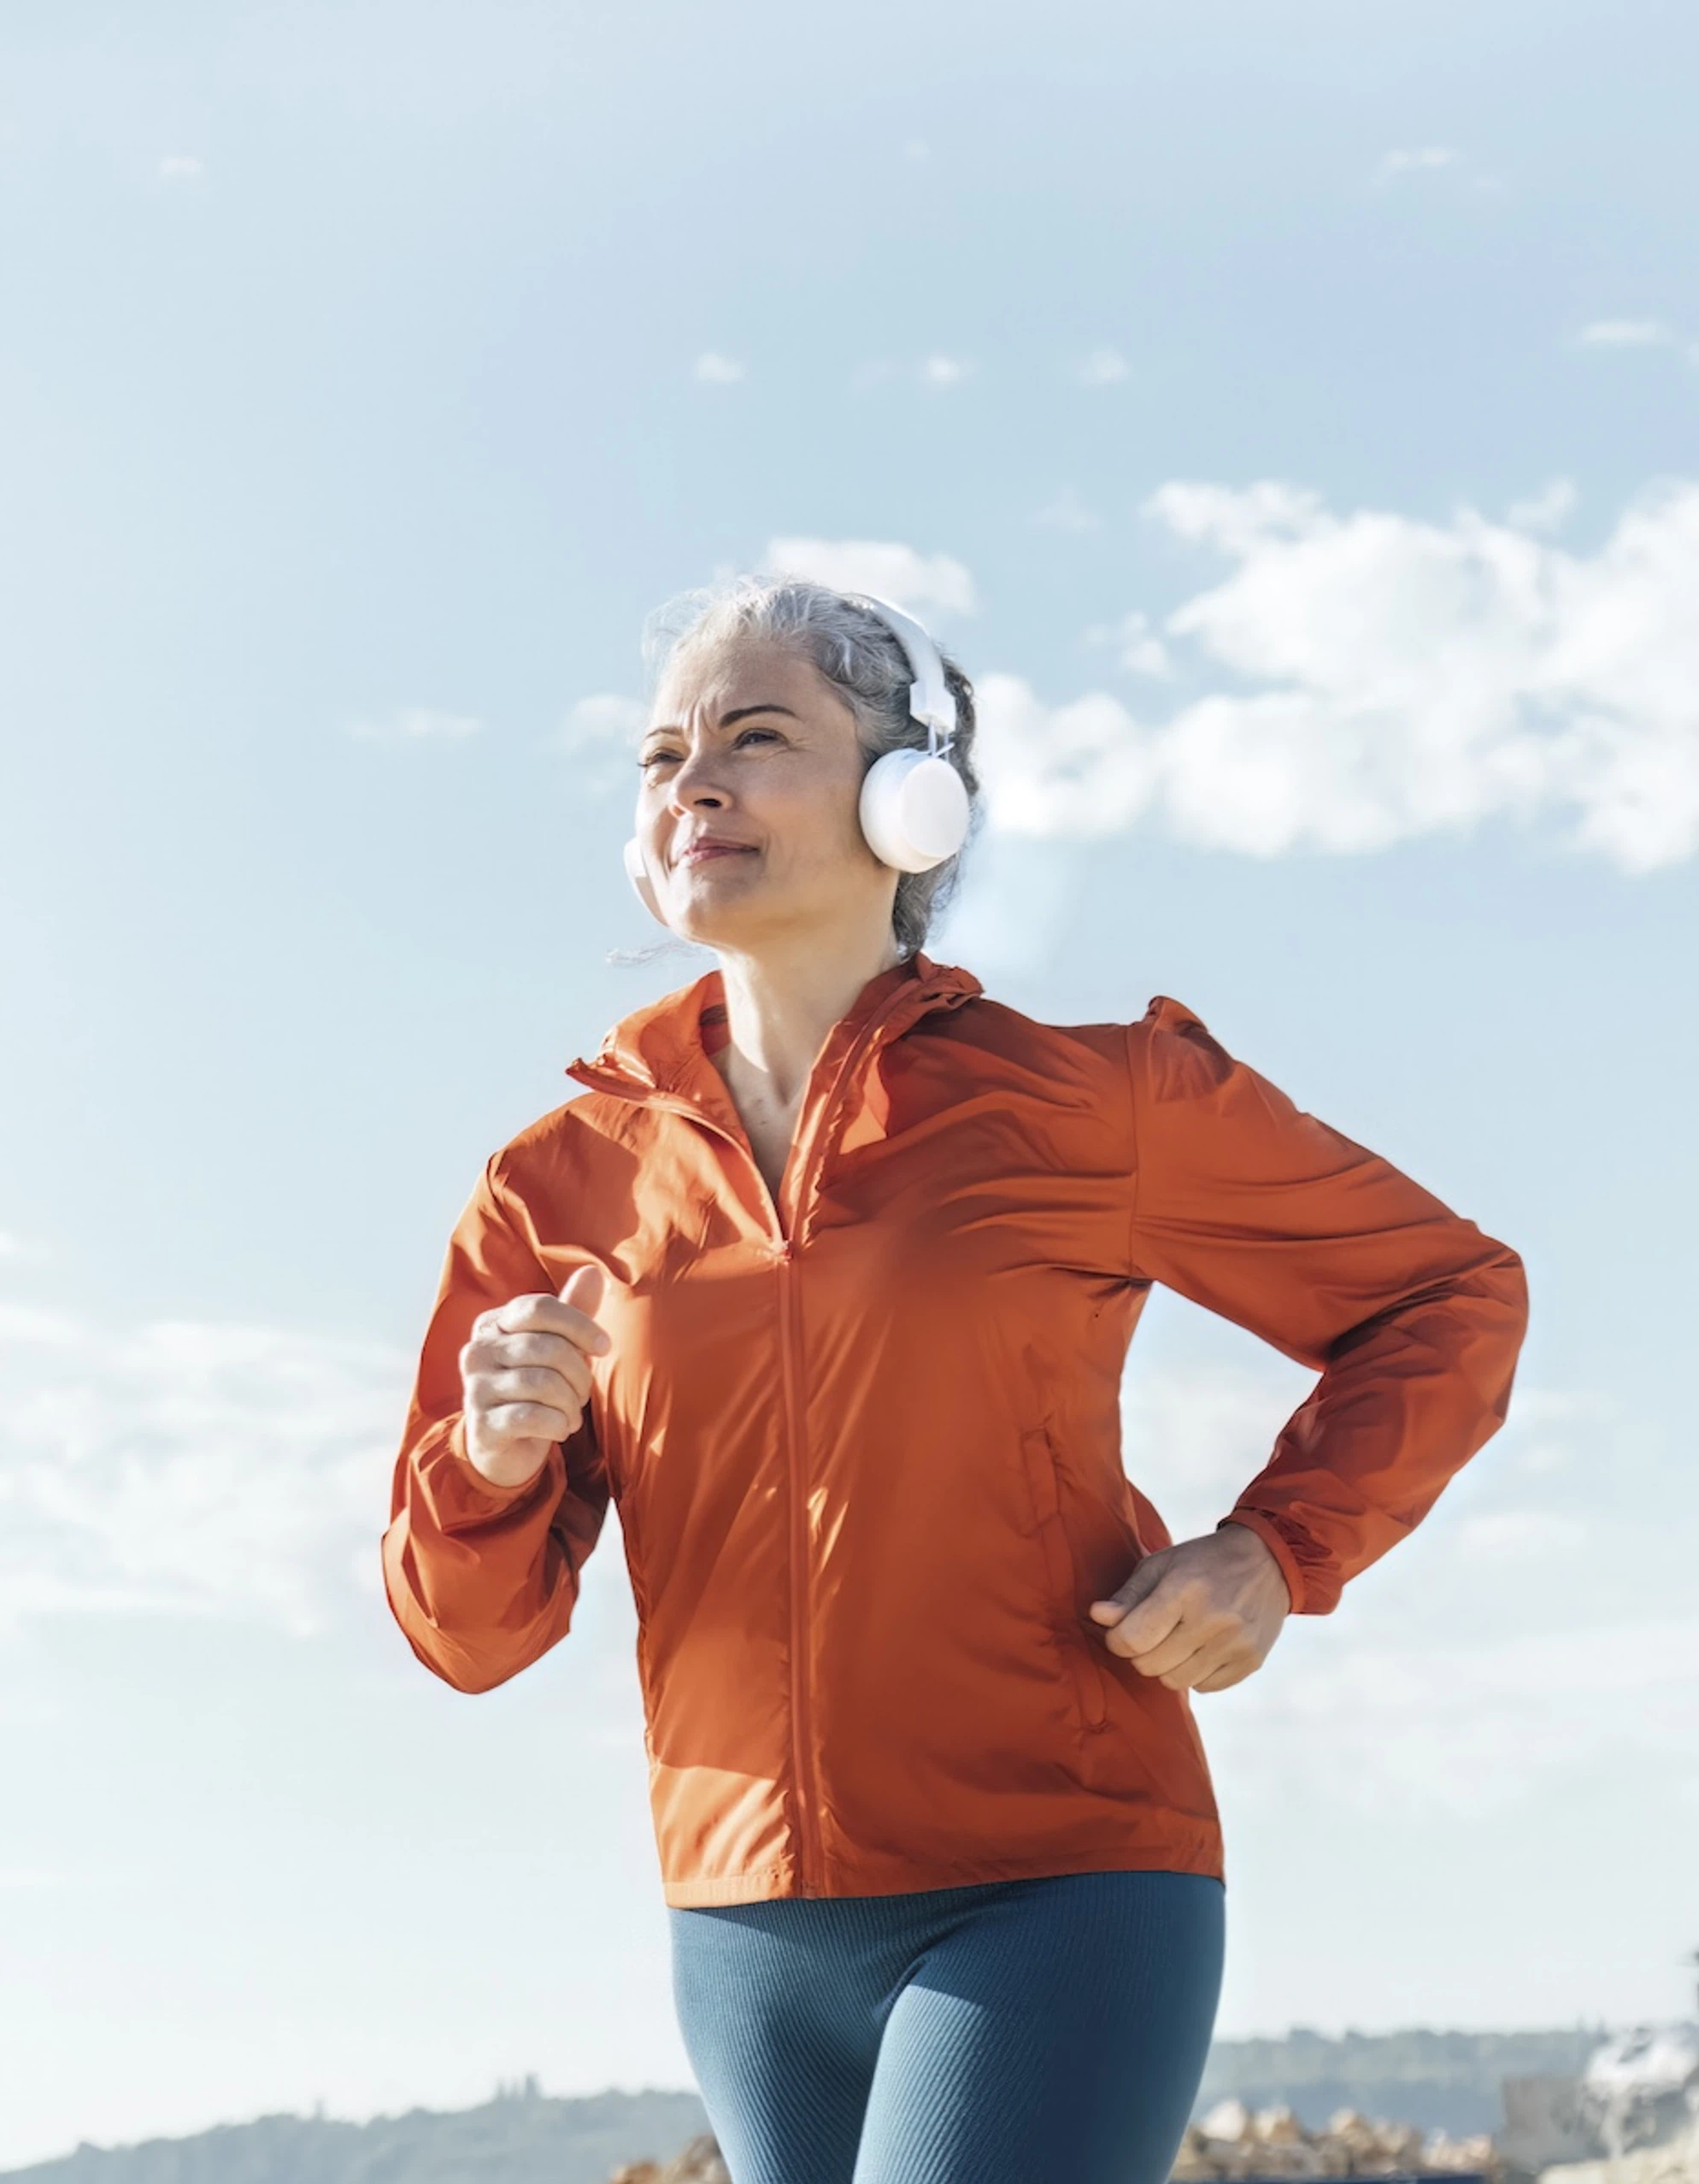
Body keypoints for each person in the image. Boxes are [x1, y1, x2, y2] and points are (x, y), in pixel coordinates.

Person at [378, 577, 1529, 2184]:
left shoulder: (1092, 1104)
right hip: (745, 1930)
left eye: (755, 736)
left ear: (908, 799)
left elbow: (1446, 1292)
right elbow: (468, 1634)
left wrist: (1281, 1548)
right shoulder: (554, 1186)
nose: (691, 780)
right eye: (659, 756)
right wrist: (489, 1468)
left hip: (1054, 1882)